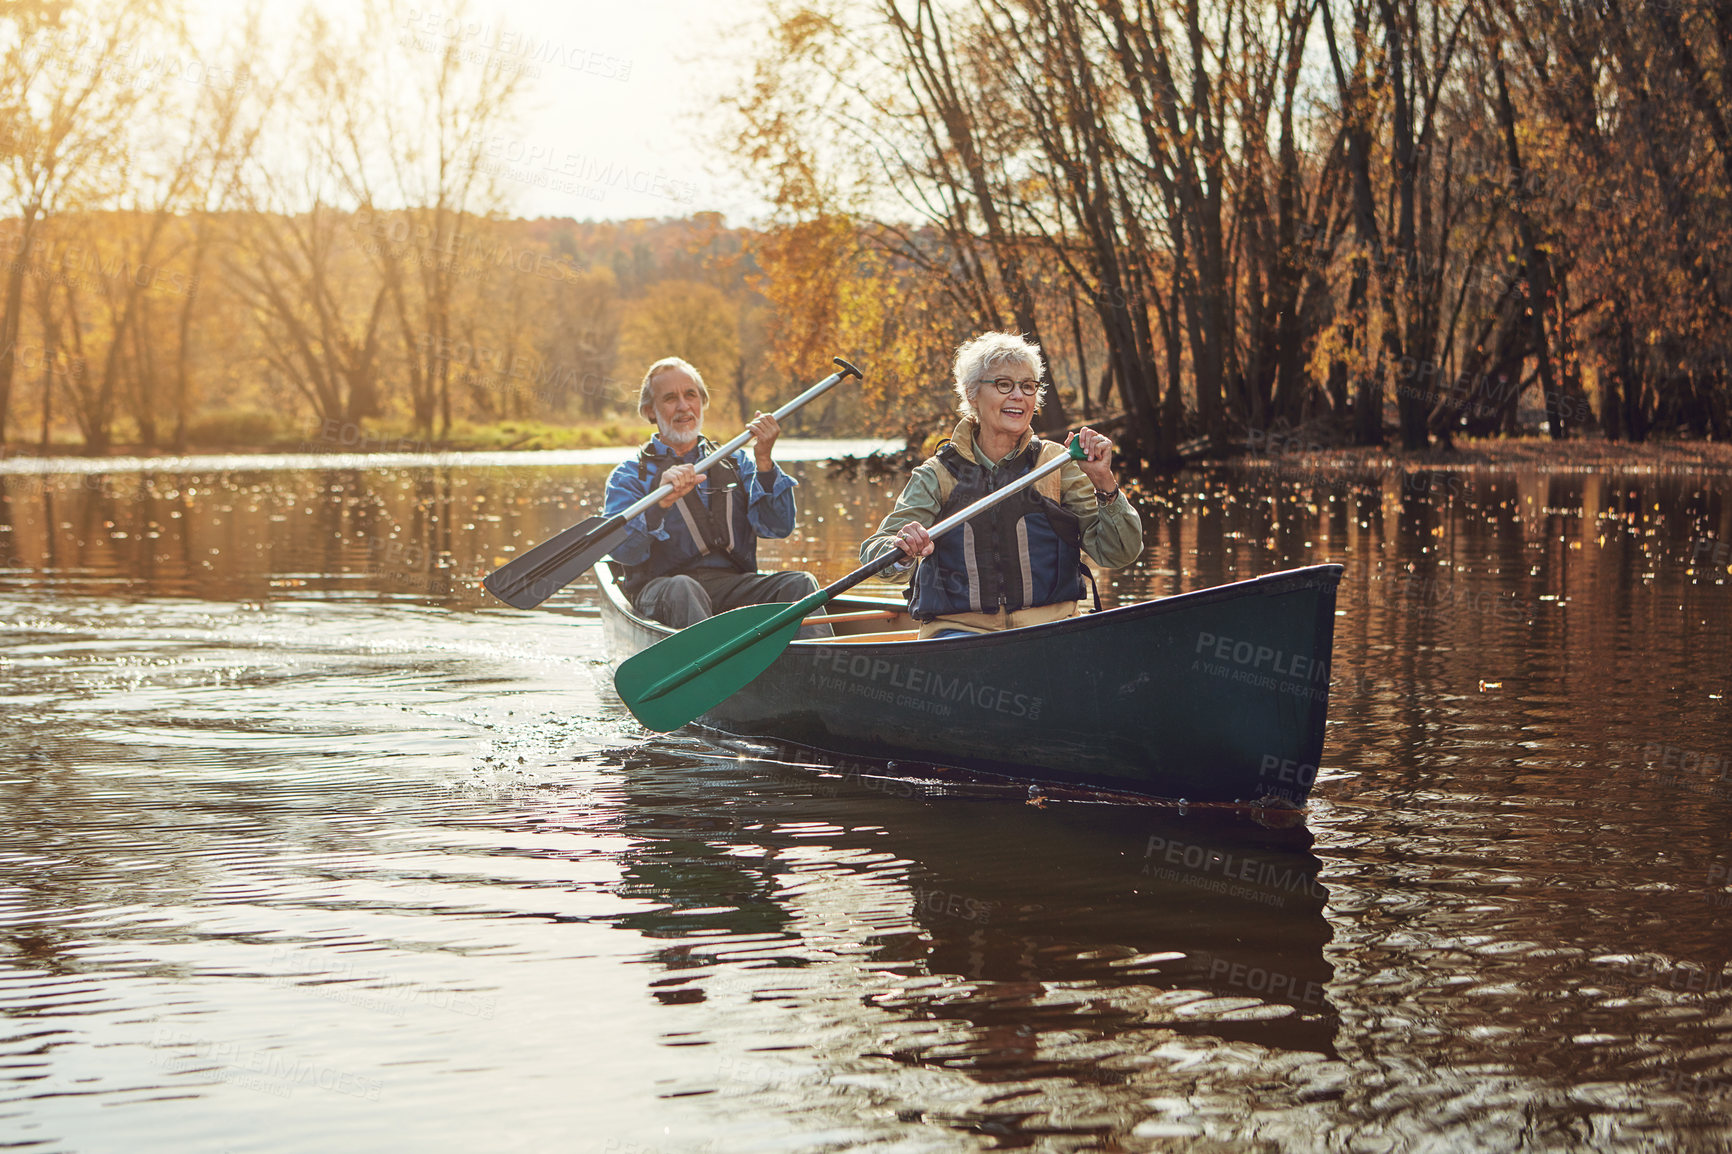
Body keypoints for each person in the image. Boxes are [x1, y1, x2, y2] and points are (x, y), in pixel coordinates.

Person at [861, 332, 1143, 639]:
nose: (1019, 396)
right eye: (1003, 384)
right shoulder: (937, 474)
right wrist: (901, 550)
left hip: (1053, 630)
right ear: (971, 394)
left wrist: (1104, 481)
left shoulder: (1058, 464)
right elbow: (874, 554)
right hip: (959, 635)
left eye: (1028, 386)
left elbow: (1119, 554)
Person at [604, 356, 828, 636]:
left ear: (702, 402)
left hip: (731, 586)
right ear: (650, 411)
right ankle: (711, 673)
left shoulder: (737, 462)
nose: (684, 406)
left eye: (690, 395)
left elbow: (778, 527)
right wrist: (659, 504)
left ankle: (819, 664)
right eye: (670, 398)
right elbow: (624, 552)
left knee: (800, 584)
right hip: (661, 592)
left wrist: (765, 463)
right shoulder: (628, 476)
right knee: (683, 589)